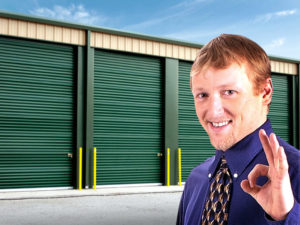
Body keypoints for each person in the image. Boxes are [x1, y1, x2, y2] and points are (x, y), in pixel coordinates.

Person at [176, 34, 300, 225]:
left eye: (229, 92)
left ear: (265, 92)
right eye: (202, 95)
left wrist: (286, 218)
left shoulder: (297, 174)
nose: (213, 110)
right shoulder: (196, 180)